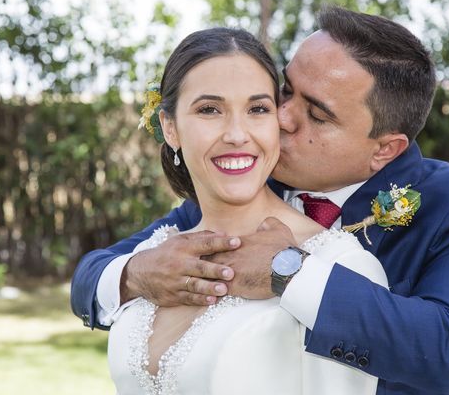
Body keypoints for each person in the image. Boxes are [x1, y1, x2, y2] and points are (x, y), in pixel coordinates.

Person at [71, 7, 449, 395]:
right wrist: (136, 272)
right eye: (285, 91)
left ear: (385, 149)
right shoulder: (249, 184)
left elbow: (447, 351)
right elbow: (92, 277)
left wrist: (289, 272)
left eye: (316, 114)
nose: (281, 118)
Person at [104, 26, 388, 394]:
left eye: (257, 109)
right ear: (170, 127)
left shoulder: (337, 266)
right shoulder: (151, 257)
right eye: (209, 110)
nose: (237, 134)